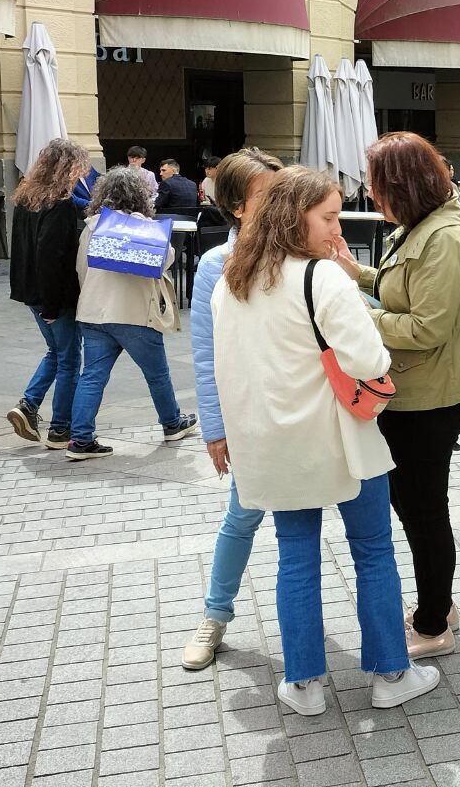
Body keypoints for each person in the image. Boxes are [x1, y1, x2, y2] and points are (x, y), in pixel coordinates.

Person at [212, 166, 439, 716]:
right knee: (373, 551)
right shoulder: (322, 278)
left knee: (296, 557)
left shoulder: (231, 280)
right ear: (296, 217)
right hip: (341, 439)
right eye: (329, 217)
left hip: (273, 443)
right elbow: (371, 360)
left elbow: (227, 370)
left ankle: (305, 683)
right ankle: (390, 672)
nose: (338, 227)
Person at [331, 133, 460, 659]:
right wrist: (355, 272)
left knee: (423, 508)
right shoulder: (421, 226)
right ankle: (439, 603)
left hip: (431, 393)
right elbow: (401, 285)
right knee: (413, 503)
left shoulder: (443, 236)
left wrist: (358, 316)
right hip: (416, 388)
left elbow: (426, 326)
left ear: (401, 185)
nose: (371, 195)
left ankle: (433, 626)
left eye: (377, 185)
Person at [181, 148, 284, 670]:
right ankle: (214, 615)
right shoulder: (215, 266)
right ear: (238, 207)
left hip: (306, 413)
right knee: (242, 518)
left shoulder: (299, 251)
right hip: (250, 417)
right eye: (268, 196)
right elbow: (206, 354)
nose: (280, 205)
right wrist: (215, 428)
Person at [67, 168, 198, 459]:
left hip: (94, 312)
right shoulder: (143, 228)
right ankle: (172, 423)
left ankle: (80, 439)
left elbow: (81, 269)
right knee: (157, 375)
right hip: (135, 313)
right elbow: (165, 261)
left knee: (92, 376)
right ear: (140, 196)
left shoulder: (92, 226)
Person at [6, 138, 89, 449]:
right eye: (78, 167)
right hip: (54, 297)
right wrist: (53, 306)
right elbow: (50, 256)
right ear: (67, 168)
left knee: (56, 353)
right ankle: (60, 429)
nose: (81, 173)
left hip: (31, 292)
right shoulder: (60, 205)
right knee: (69, 359)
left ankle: (28, 405)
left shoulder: (28, 198)